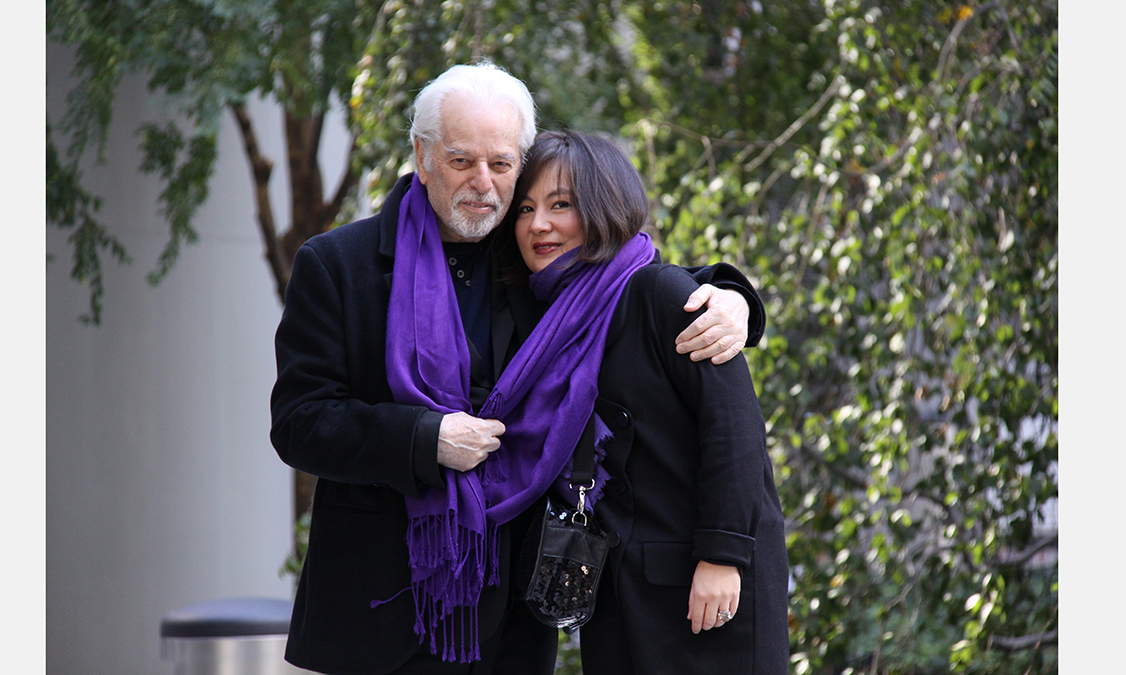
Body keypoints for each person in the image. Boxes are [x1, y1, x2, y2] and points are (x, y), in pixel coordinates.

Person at [269, 62, 759, 675]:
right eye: (460, 161)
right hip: (383, 609)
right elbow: (299, 422)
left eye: (501, 164)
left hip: (513, 621)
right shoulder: (337, 265)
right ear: (422, 158)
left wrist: (735, 298)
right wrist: (425, 439)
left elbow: (633, 274)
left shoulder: (533, 251)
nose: (483, 183)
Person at [499, 130, 790, 674]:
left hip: (706, 588)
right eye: (526, 208)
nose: (538, 224)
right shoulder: (543, 323)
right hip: (613, 590)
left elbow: (735, 430)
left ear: (604, 206)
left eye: (561, 205)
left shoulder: (661, 296)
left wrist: (722, 556)